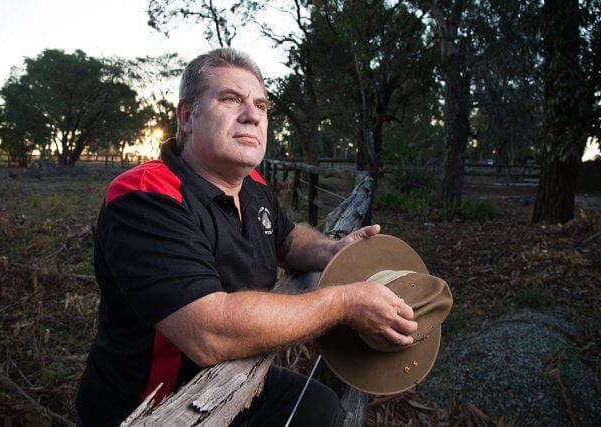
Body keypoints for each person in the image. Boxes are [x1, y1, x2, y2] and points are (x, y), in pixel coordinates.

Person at [75, 48, 418, 426]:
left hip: (237, 380)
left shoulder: (250, 183)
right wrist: (344, 303)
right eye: (230, 99)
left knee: (321, 407)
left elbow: (286, 240)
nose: (252, 115)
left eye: (261, 105)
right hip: (160, 406)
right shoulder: (145, 194)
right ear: (188, 116)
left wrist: (332, 250)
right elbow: (209, 332)